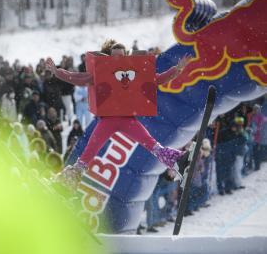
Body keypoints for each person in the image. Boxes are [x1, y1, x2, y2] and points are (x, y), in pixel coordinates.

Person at [45, 39, 191, 190]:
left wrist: (177, 69)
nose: (117, 60)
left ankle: (177, 160)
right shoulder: (102, 73)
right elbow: (77, 77)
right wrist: (57, 72)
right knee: (87, 154)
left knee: (152, 144)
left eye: (120, 56)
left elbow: (158, 79)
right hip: (107, 121)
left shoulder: (136, 72)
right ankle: (66, 182)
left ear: (126, 56)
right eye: (114, 56)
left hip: (128, 120)